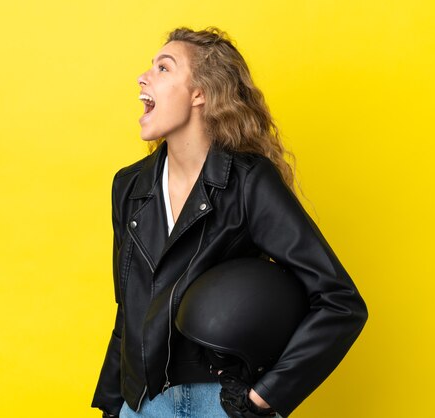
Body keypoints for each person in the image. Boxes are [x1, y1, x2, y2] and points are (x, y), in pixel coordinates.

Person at [91, 27, 368, 418]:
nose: (143, 76)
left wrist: (261, 399)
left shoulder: (248, 182)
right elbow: (129, 310)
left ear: (199, 93)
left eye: (163, 68)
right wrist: (112, 406)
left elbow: (341, 303)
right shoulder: (130, 186)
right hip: (143, 406)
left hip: (219, 404)